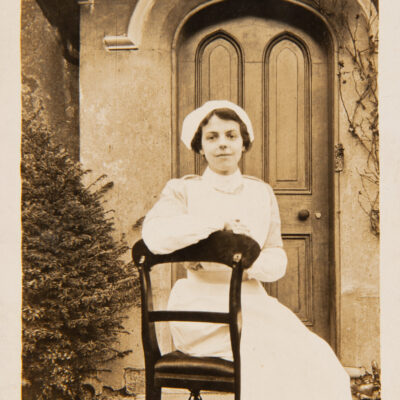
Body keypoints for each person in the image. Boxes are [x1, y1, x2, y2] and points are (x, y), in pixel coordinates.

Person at [142, 100, 352, 399]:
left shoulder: (261, 192)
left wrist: (247, 264)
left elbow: (276, 255)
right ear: (199, 147)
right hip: (200, 307)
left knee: (321, 360)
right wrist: (217, 225)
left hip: (253, 302)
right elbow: (154, 236)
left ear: (244, 143)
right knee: (272, 354)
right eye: (212, 137)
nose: (223, 145)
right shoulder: (184, 190)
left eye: (231, 136)